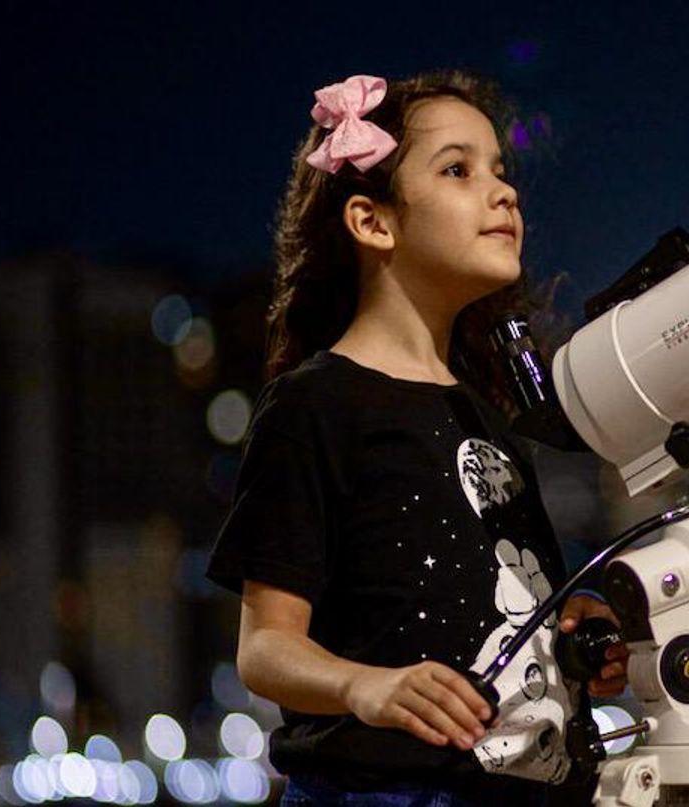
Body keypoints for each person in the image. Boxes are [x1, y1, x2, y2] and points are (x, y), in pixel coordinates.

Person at [205, 70, 628, 807]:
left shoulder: (490, 418)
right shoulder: (314, 403)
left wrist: (571, 626)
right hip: (382, 793)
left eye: (501, 170)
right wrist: (366, 686)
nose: (504, 193)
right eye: (459, 169)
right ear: (373, 221)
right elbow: (265, 647)